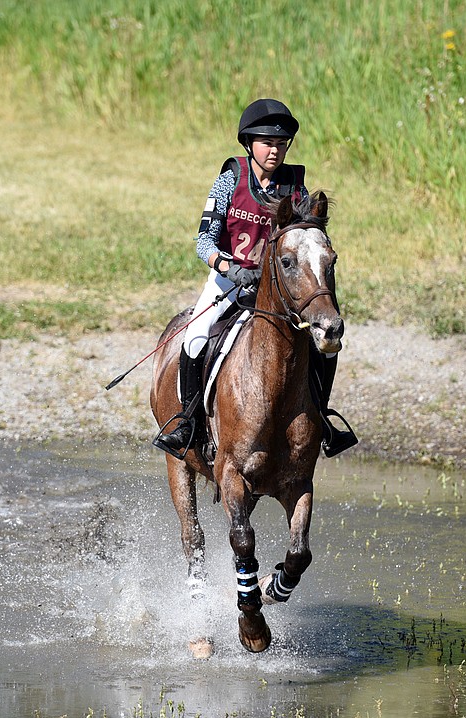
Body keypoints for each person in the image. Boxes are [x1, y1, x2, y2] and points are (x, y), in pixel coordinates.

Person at [153, 98, 357, 460]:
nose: (274, 150)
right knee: (196, 338)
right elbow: (203, 241)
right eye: (267, 143)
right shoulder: (230, 179)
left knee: (322, 344)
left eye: (280, 144)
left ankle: (322, 419)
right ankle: (188, 423)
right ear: (250, 144)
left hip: (281, 291)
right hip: (229, 282)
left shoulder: (296, 186)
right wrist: (230, 269)